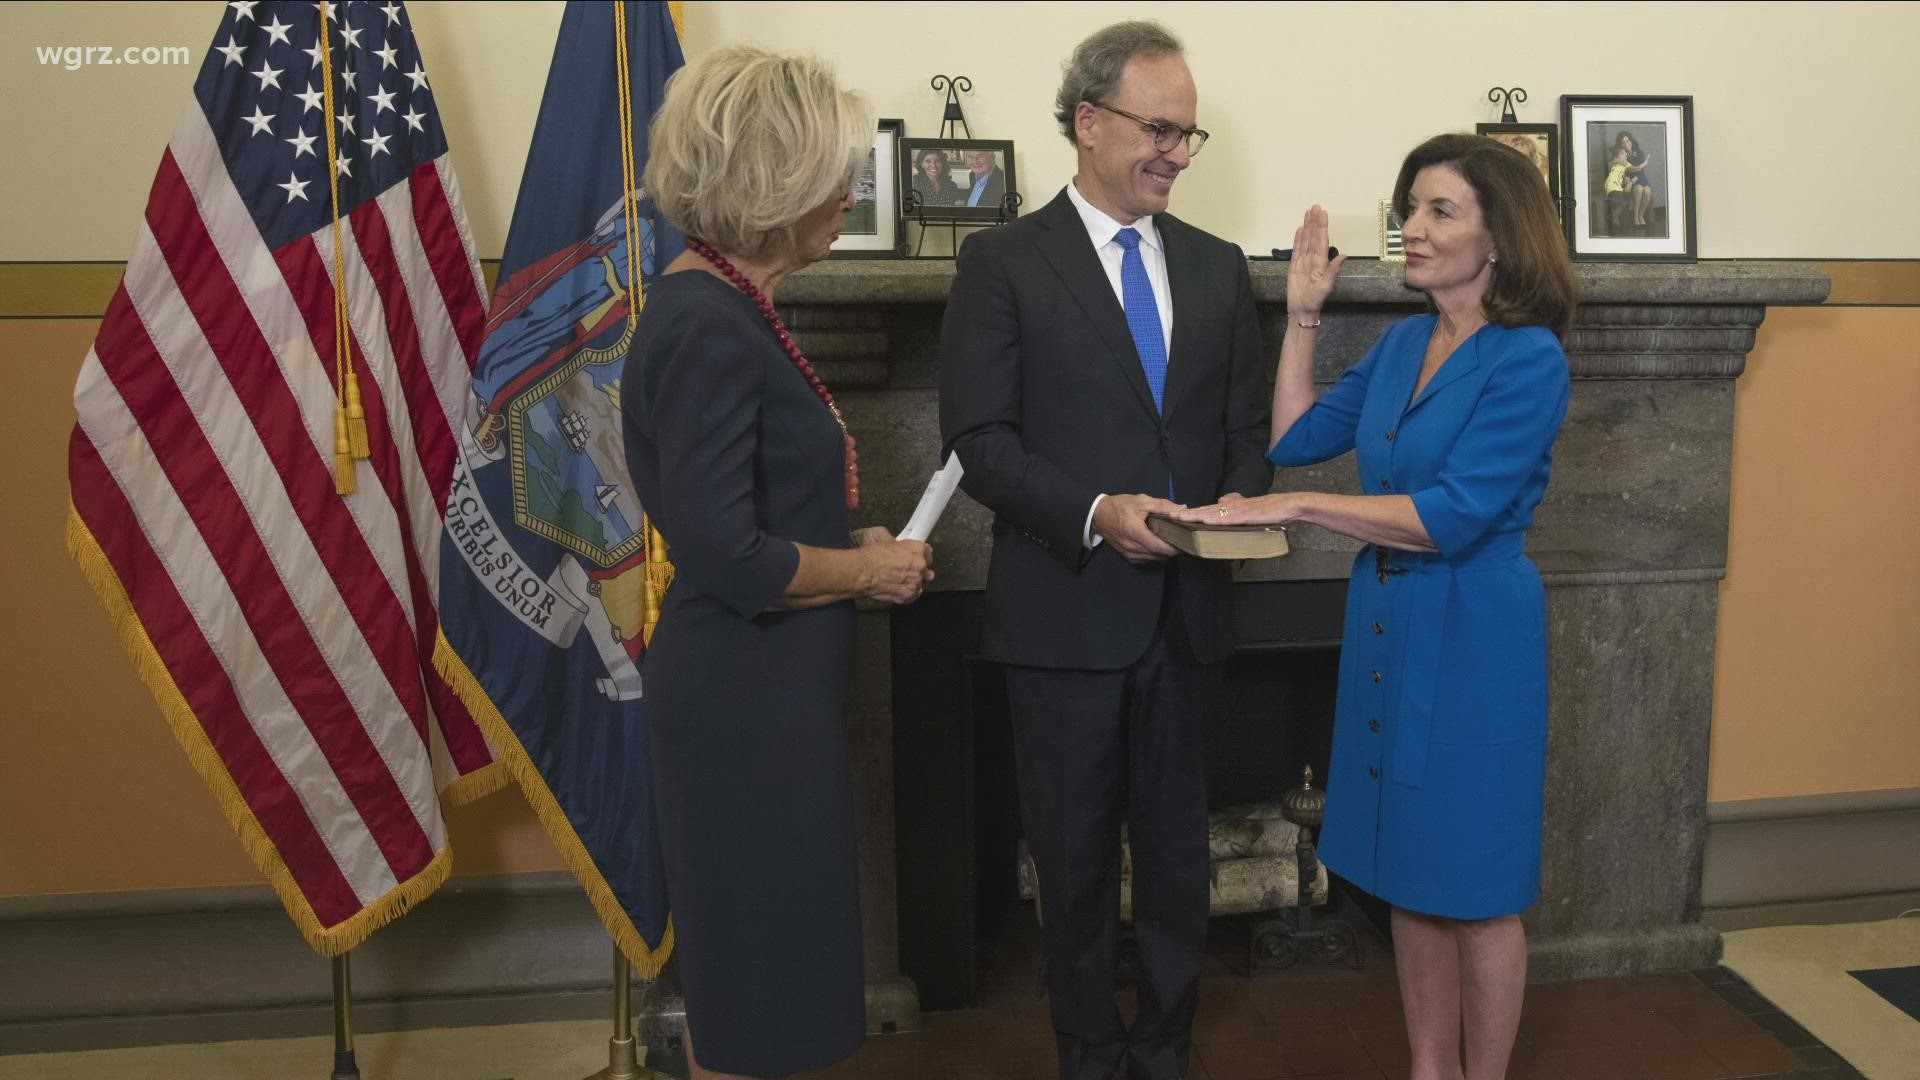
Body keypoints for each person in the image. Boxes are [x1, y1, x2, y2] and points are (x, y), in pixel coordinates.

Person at [1175, 133, 1576, 1080]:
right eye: (1409, 209)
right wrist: (1302, 316)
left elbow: (1454, 517)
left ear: (1501, 235)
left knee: (1476, 887)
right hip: (1391, 624)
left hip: (1478, 636)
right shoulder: (1402, 343)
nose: (1414, 229)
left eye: (1440, 210)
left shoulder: (1529, 361)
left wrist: (1303, 505)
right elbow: (1296, 436)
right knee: (1410, 876)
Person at [939, 20, 1268, 1080]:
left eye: (1189, 133)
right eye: (1158, 128)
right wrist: (1095, 510)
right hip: (1062, 614)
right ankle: (1089, 1054)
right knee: (1073, 866)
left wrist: (1232, 504)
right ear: (1088, 121)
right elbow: (979, 444)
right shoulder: (1001, 263)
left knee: (1179, 863)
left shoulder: (1219, 272)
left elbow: (1246, 436)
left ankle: (1164, 1051)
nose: (1176, 150)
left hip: (1188, 621)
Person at [622, 46, 934, 1080]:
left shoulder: (723, 305)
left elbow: (745, 514)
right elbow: (721, 549)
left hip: (765, 693)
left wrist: (852, 546)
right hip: (741, 700)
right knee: (754, 992)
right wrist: (865, 574)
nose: (849, 193)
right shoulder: (708, 324)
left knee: (760, 983)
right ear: (772, 179)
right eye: (831, 173)